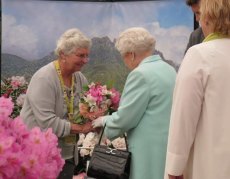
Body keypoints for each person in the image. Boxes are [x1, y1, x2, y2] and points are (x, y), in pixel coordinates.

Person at [92, 27, 176, 179]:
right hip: (167, 146)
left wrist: (103, 120)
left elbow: (126, 117)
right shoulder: (169, 69)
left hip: (147, 150)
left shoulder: (139, 74)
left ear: (131, 55)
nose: (124, 61)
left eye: (123, 56)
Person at [165, 0, 230, 178]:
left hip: (210, 164)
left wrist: (174, 167)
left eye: (199, 15)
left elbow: (184, 116)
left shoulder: (199, 54)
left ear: (208, 18)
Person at [20, 28, 95, 179]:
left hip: (66, 154)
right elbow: (47, 123)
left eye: (87, 56)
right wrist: (81, 128)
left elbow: (84, 111)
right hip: (39, 156)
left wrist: (95, 118)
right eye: (80, 55)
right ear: (63, 54)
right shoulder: (44, 78)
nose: (85, 60)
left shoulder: (80, 79)